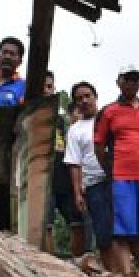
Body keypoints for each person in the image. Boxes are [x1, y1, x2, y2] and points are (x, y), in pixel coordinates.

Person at [94, 65, 139, 277]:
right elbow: (99, 146)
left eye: (135, 79)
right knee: (122, 230)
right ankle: (126, 275)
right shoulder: (109, 111)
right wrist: (109, 169)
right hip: (120, 177)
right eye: (127, 79)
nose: (132, 83)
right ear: (119, 82)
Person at [66, 81, 119, 272]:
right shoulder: (75, 130)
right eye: (79, 98)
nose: (84, 101)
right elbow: (74, 162)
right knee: (103, 234)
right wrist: (77, 193)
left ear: (96, 97)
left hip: (118, 181)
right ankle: (114, 275)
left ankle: (131, 274)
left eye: (87, 96)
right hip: (93, 185)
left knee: (124, 231)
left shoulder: (111, 119)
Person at [43, 71, 90, 257]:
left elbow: (70, 154)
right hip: (42, 183)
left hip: (64, 180)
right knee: (45, 224)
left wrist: (77, 186)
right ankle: (47, 263)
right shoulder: (27, 117)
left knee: (78, 221)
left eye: (49, 86)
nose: (47, 90)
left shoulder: (61, 122)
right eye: (43, 86)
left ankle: (79, 264)